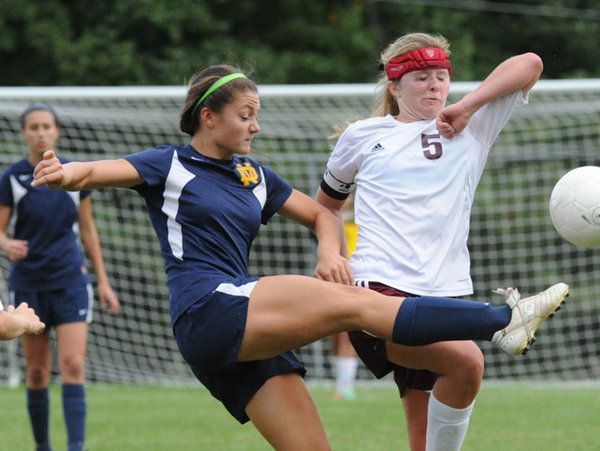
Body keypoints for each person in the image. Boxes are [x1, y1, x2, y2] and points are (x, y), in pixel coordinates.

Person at [32, 64, 569, 450]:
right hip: (209, 307)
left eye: (257, 115)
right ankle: (503, 319)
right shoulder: (169, 164)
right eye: (246, 115)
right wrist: (65, 173)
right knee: (353, 305)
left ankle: (503, 323)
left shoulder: (255, 176)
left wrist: (328, 252)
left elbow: (322, 215)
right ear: (209, 117)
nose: (256, 126)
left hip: (245, 330)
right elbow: (96, 172)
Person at [316, 32, 549, 451]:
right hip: (376, 288)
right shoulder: (363, 136)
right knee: (467, 362)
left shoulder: (472, 126)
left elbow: (530, 63)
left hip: (446, 291)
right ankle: (507, 321)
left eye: (441, 76)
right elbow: (326, 208)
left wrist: (467, 105)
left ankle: (504, 322)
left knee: (422, 436)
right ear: (394, 85)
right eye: (421, 77)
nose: (435, 85)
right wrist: (330, 252)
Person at [0, 103, 121, 451]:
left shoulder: (73, 175)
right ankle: (42, 447)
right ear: (24, 133)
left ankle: (76, 447)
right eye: (34, 126)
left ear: (57, 131)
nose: (41, 132)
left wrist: (104, 282)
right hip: (28, 285)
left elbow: (88, 230)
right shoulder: (11, 178)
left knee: (73, 364)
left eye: (47, 126)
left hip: (70, 280)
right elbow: (0, 232)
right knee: (37, 372)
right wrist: (8, 243)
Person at [331, 197, 359, 401]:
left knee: (347, 335)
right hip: (333, 281)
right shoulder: (329, 219)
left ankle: (345, 388)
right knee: (335, 335)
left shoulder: (359, 223)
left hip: (354, 282)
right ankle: (342, 385)